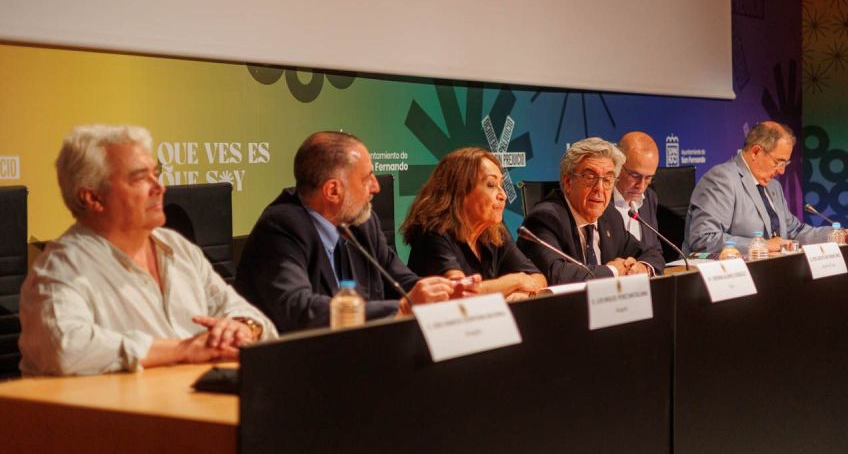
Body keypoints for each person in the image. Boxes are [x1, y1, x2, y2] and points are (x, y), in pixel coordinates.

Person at [19, 124, 276, 376]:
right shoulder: (61, 269)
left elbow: (244, 313)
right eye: (140, 178)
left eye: (156, 174)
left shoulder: (177, 247)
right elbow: (66, 348)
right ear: (93, 198)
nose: (159, 187)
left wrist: (243, 328)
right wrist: (183, 350)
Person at [235, 131, 460, 333]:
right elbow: (298, 308)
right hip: (299, 359)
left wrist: (449, 293)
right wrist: (402, 307)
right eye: (367, 178)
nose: (376, 187)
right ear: (333, 190)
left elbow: (401, 281)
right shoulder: (280, 228)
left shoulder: (362, 223)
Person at [683, 121, 848, 255]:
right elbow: (704, 238)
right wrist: (763, 245)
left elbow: (794, 232)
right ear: (756, 152)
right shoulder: (723, 179)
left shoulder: (773, 186)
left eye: (785, 163)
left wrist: (836, 235)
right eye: (778, 162)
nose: (781, 171)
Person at [402, 147, 546, 300]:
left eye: (501, 185)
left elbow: (539, 279)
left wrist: (512, 295)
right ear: (460, 191)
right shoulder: (434, 233)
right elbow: (461, 293)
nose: (503, 195)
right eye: (491, 184)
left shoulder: (494, 231)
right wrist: (516, 281)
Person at [517, 137, 665, 284]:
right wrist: (613, 271)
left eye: (607, 180)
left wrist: (641, 267)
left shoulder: (610, 216)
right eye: (590, 177)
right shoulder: (545, 219)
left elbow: (651, 254)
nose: (599, 189)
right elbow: (557, 274)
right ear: (567, 182)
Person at [613, 131, 661, 249]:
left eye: (648, 178)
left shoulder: (649, 198)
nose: (641, 185)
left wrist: (646, 261)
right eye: (635, 175)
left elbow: (655, 249)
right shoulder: (600, 200)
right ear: (617, 165)